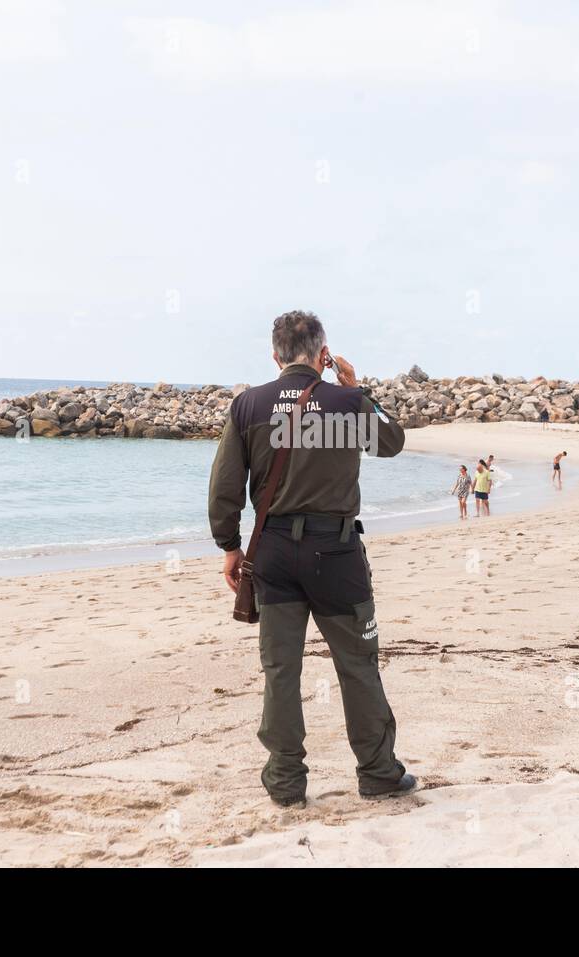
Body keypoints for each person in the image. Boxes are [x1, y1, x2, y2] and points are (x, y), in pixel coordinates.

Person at [208, 310, 415, 806]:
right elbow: (392, 442)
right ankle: (378, 773)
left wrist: (230, 547)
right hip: (336, 552)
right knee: (357, 665)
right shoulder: (348, 401)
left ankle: (285, 782)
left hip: (274, 552)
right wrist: (357, 387)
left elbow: (224, 487)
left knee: (282, 670)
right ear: (323, 354)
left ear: (274, 355)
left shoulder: (249, 404)